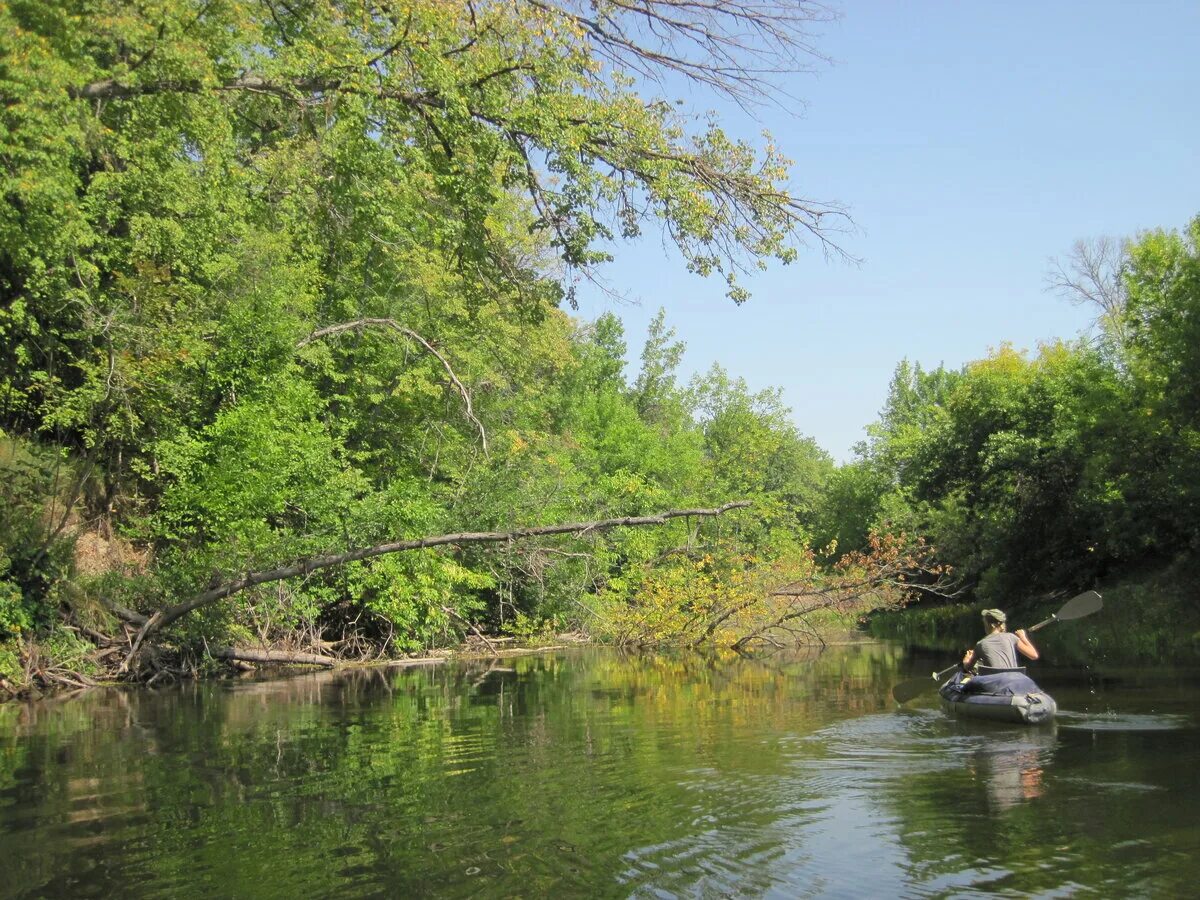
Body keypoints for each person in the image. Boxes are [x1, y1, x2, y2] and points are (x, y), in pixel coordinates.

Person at [961, 608, 1039, 671]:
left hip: (995, 685)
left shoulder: (980, 644)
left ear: (992, 625)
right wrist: (1023, 637)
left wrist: (966, 660)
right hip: (1014, 682)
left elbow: (968, 668)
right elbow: (1034, 655)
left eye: (985, 623)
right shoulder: (1011, 637)